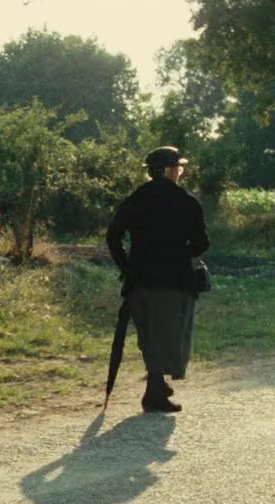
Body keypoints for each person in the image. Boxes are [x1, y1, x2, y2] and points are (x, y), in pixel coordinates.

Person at [106, 146, 210, 413]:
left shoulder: (136, 199)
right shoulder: (186, 202)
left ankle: (157, 386)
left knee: (149, 335)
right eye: (178, 168)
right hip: (173, 281)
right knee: (170, 335)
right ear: (169, 170)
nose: (180, 172)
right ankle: (154, 393)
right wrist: (179, 254)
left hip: (139, 280)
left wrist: (126, 267)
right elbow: (201, 243)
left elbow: (113, 236)